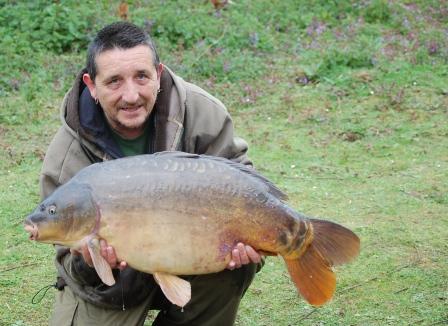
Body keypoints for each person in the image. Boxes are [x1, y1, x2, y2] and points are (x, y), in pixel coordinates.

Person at [40, 21, 263, 325]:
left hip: (191, 257)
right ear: (92, 85)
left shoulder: (202, 113)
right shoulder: (67, 155)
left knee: (233, 269)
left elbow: (243, 185)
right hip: (113, 286)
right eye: (114, 81)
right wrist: (91, 262)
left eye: (142, 77)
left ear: (158, 74)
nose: (131, 96)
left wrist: (253, 242)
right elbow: (68, 263)